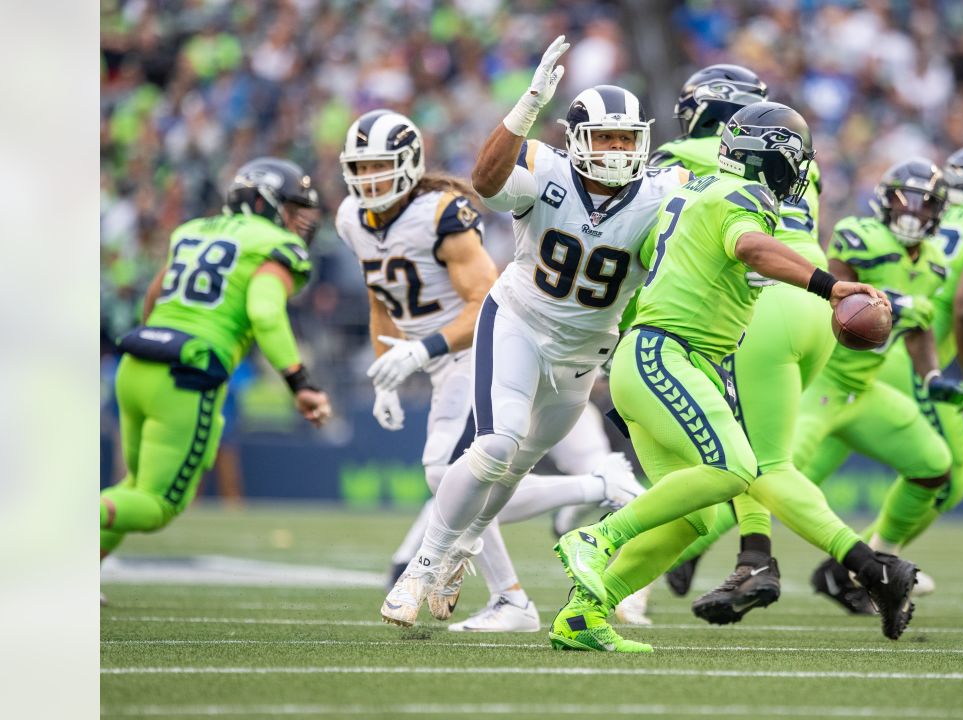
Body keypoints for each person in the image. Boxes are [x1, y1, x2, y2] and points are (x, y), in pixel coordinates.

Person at [550, 101, 918, 653]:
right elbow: (747, 245)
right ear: (775, 160)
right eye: (797, 160)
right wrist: (830, 286)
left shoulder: (695, 192)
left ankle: (583, 614)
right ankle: (597, 538)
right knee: (736, 469)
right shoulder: (743, 197)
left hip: (660, 358)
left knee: (693, 520)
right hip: (667, 354)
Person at [380, 36, 690, 629]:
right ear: (576, 141)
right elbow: (487, 182)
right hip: (518, 322)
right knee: (494, 446)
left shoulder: (660, 195)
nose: (617, 150)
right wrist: (525, 108)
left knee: (514, 468)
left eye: (627, 138)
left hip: (583, 354)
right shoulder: (545, 170)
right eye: (605, 138)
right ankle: (425, 563)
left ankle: (462, 551)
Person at [336, 109, 645, 632]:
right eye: (361, 169)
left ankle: (519, 574)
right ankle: (507, 585)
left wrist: (421, 349)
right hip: (449, 357)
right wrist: (384, 368)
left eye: (380, 167)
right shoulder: (350, 218)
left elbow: (481, 299)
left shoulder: (441, 212)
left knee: (454, 469)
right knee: (481, 468)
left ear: (409, 163)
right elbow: (379, 297)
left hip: (478, 345)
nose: (370, 180)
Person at [810, 147, 963, 612]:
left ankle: (861, 564)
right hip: (895, 354)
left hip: (886, 351)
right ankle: (872, 565)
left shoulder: (931, 241)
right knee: (948, 474)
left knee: (801, 468)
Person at [100, 158, 332, 599]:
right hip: (187, 372)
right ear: (267, 204)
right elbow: (264, 311)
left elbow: (155, 295)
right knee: (157, 505)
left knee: (131, 486)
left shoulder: (192, 230)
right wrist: (300, 382)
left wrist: (159, 341)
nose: (300, 220)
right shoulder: (274, 244)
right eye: (293, 207)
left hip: (137, 360)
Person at [648, 63, 825, 622]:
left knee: (737, 457)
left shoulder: (683, 160)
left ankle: (754, 556)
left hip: (744, 306)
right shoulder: (798, 164)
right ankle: (742, 553)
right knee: (756, 452)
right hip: (814, 301)